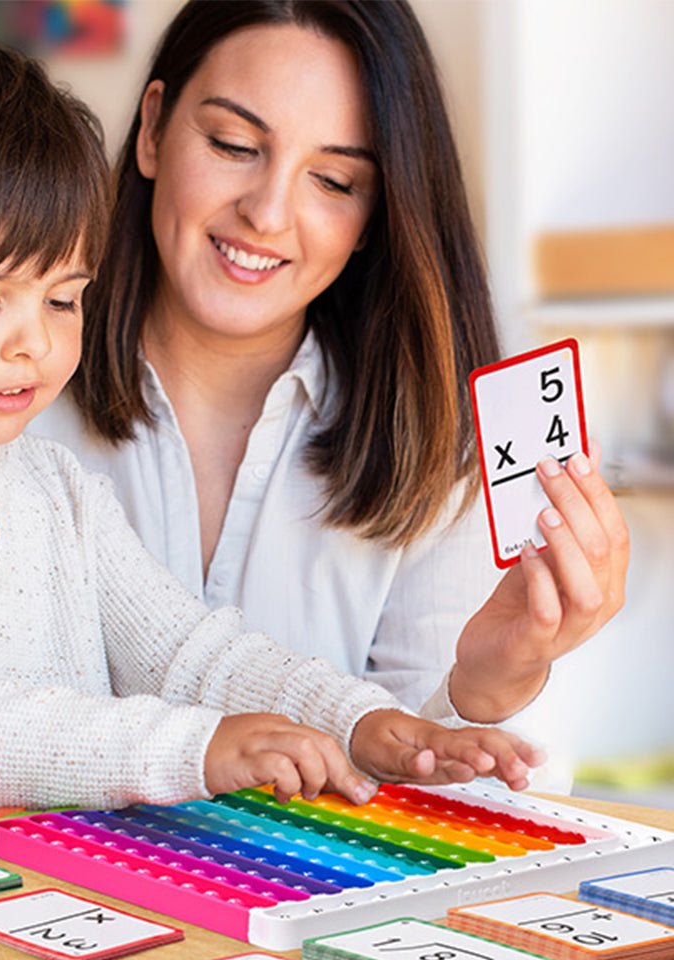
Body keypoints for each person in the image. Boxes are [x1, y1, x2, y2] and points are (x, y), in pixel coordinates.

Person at [0, 26, 541, 857]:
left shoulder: (55, 486)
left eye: (63, 299)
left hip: (8, 922)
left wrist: (354, 719)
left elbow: (188, 651)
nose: (35, 344)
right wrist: (191, 749)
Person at [31, 0, 629, 791]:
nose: (268, 212)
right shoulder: (8, 391)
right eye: (234, 144)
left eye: (335, 180)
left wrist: (488, 687)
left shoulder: (433, 442)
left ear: (375, 214)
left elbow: (428, 804)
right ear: (151, 131)